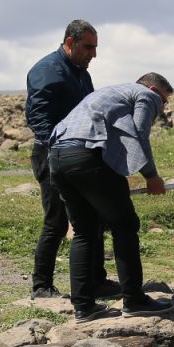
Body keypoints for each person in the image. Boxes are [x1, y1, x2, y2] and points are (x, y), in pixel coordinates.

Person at [48, 73, 174, 322]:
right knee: (125, 226)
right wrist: (152, 176)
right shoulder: (146, 95)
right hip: (87, 156)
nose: (162, 108)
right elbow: (140, 134)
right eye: (164, 101)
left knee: (84, 230)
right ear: (153, 89)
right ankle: (134, 300)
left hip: (57, 155)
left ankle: (83, 307)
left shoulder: (111, 92)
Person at [25, 19, 119, 300]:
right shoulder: (46, 71)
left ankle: (96, 281)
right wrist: (59, 148)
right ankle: (41, 286)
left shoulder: (80, 72)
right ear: (70, 43)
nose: (94, 54)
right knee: (55, 221)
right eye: (89, 47)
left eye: (95, 47)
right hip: (52, 153)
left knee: (94, 216)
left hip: (81, 153)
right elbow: (37, 118)